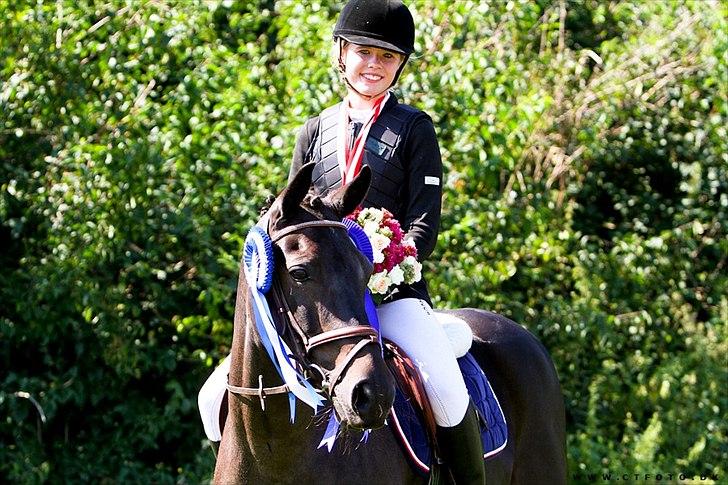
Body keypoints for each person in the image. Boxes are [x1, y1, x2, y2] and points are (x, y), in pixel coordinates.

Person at [289, 1, 486, 483]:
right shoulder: (313, 132)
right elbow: (291, 223)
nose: (373, 65)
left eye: (387, 56)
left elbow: (423, 227)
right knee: (216, 396)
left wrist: (380, 262)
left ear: (399, 65)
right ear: (341, 53)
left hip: (393, 296)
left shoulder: (414, 128)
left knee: (445, 389)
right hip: (320, 306)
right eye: (363, 52)